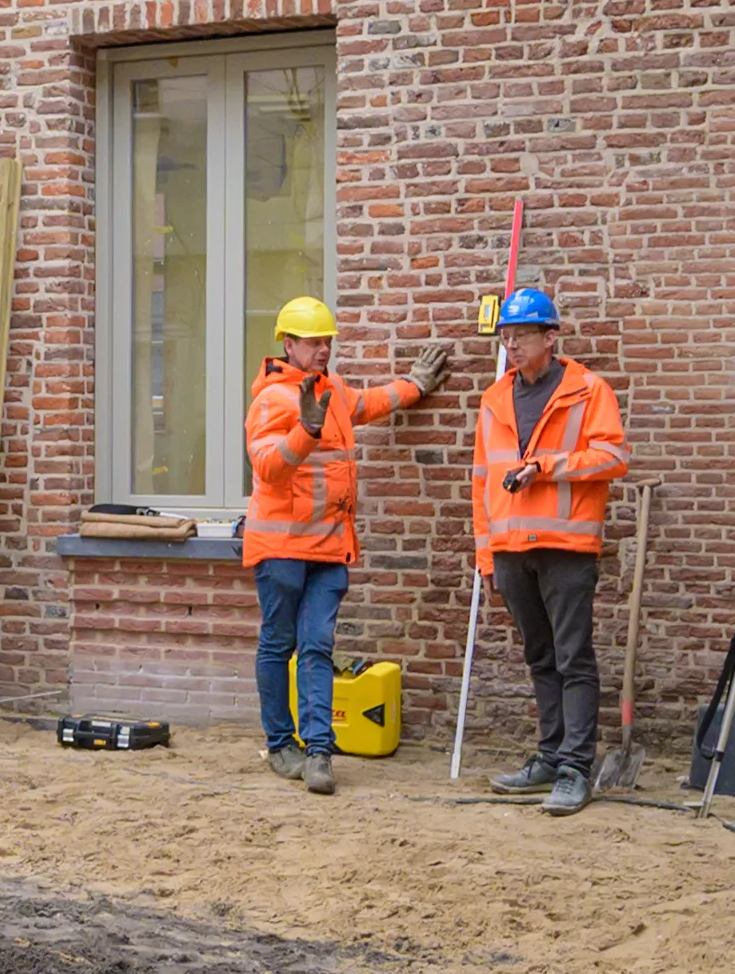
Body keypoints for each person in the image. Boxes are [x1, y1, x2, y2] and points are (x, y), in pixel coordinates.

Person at [244, 297, 451, 795]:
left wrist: (415, 386)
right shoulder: (271, 400)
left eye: (327, 341)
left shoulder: (332, 390)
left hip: (330, 550)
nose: (323, 350)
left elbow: (368, 403)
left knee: (317, 646)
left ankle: (319, 753)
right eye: (314, 342)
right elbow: (270, 467)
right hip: (282, 552)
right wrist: (307, 429)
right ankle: (280, 744)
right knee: (279, 644)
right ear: (288, 345)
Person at [474, 288, 629, 817]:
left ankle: (574, 768)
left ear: (550, 336)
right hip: (510, 548)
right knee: (540, 657)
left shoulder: (589, 391)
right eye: (506, 337)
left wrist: (546, 465)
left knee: (573, 657)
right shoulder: (495, 399)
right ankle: (548, 755)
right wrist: (485, 554)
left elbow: (612, 456)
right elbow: (481, 483)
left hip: (566, 546)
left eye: (521, 336)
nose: (511, 346)